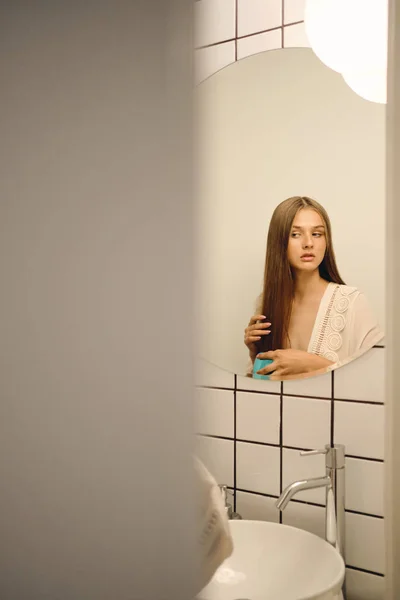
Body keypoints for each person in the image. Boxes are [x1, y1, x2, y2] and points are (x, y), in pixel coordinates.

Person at [244, 196, 383, 380]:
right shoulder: (266, 303)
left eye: (317, 234)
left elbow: (376, 379)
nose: (308, 243)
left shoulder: (352, 303)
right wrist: (256, 357)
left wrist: (311, 363)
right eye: (295, 234)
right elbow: (262, 391)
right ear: (279, 243)